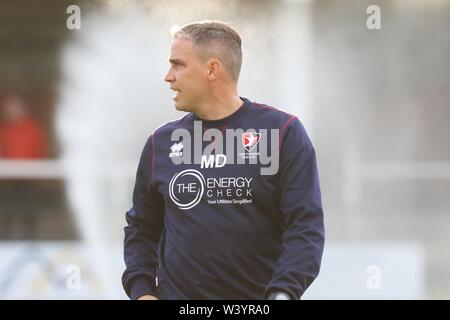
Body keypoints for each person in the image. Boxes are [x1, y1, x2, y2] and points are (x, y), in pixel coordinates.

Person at [122, 21, 324, 300]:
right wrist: (142, 292)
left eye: (178, 64)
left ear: (212, 69)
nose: (168, 76)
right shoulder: (161, 143)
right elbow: (141, 229)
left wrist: (283, 294)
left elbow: (305, 227)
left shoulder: (283, 132)